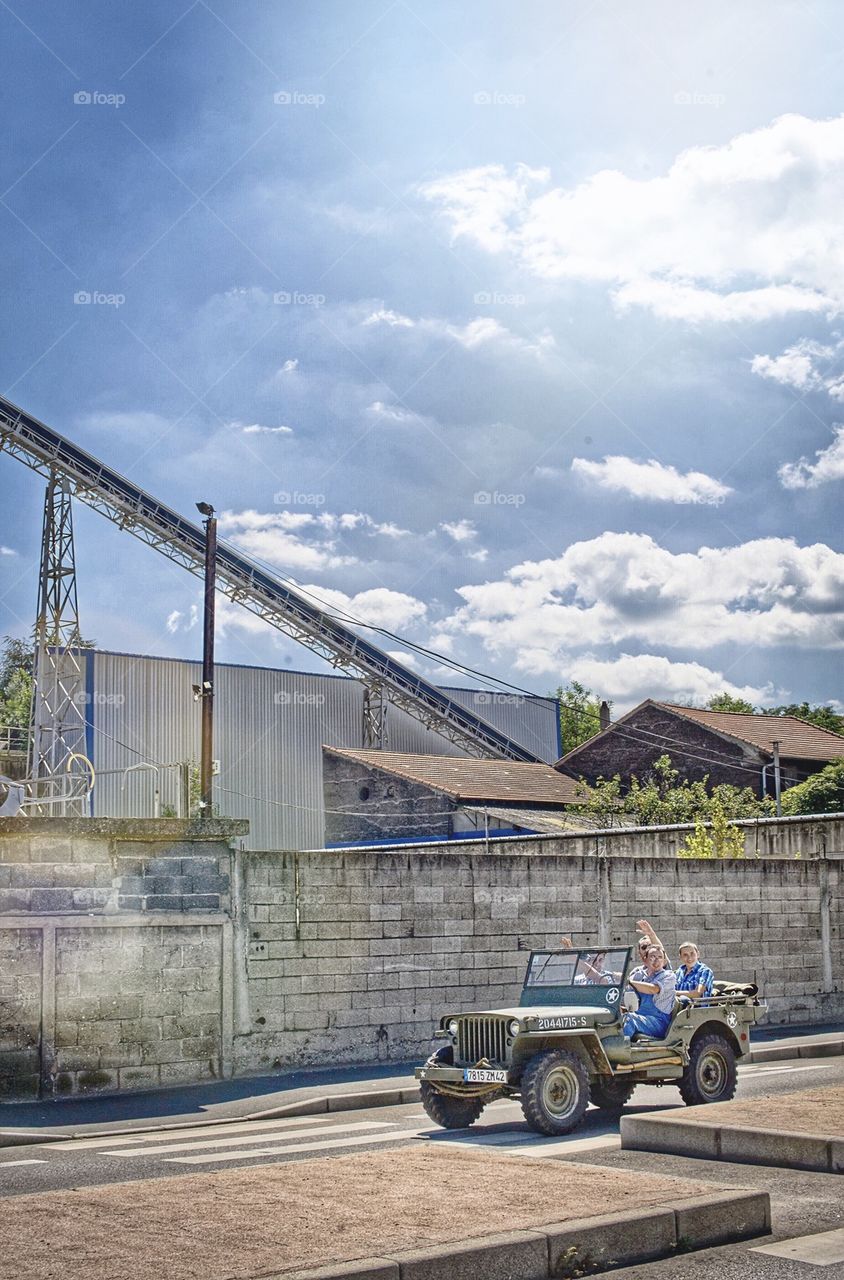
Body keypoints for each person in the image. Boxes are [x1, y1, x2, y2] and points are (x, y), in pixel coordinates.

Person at [622, 945, 676, 1040]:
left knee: (629, 1019)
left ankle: (619, 1051)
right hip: (640, 1016)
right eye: (652, 957)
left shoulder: (668, 976)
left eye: (660, 957)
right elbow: (625, 991)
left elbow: (653, 989)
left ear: (664, 961)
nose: (656, 961)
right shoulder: (638, 975)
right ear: (645, 959)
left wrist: (628, 981)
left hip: (659, 1021)